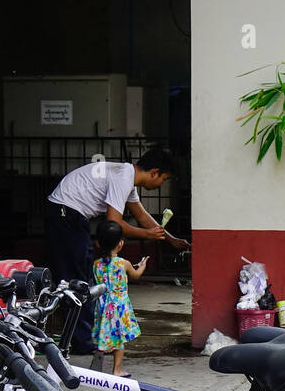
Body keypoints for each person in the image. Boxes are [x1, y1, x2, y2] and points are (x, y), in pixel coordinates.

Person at [45, 146, 189, 356]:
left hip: (69, 216)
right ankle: (82, 342)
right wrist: (147, 235)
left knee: (81, 279)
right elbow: (114, 223)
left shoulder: (126, 177)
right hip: (66, 215)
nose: (160, 184)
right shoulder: (122, 177)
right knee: (76, 281)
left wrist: (171, 239)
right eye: (163, 179)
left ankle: (83, 339)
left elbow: (142, 215)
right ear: (155, 172)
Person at [91, 220, 143, 376]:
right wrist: (143, 265)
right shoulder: (123, 263)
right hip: (119, 306)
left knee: (104, 332)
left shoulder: (96, 264)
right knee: (119, 337)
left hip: (102, 305)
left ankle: (97, 362)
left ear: (98, 244)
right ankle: (117, 369)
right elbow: (136, 275)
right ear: (120, 244)